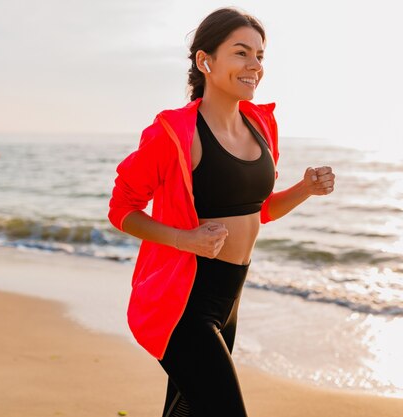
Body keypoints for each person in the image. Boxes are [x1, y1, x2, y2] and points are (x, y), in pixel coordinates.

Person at [108, 7, 335, 417]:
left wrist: (304, 189)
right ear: (205, 61)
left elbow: (258, 212)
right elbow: (122, 209)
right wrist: (184, 239)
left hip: (228, 299)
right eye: (241, 53)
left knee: (185, 411)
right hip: (182, 305)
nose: (254, 66)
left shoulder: (260, 126)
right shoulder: (173, 133)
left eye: (260, 56)